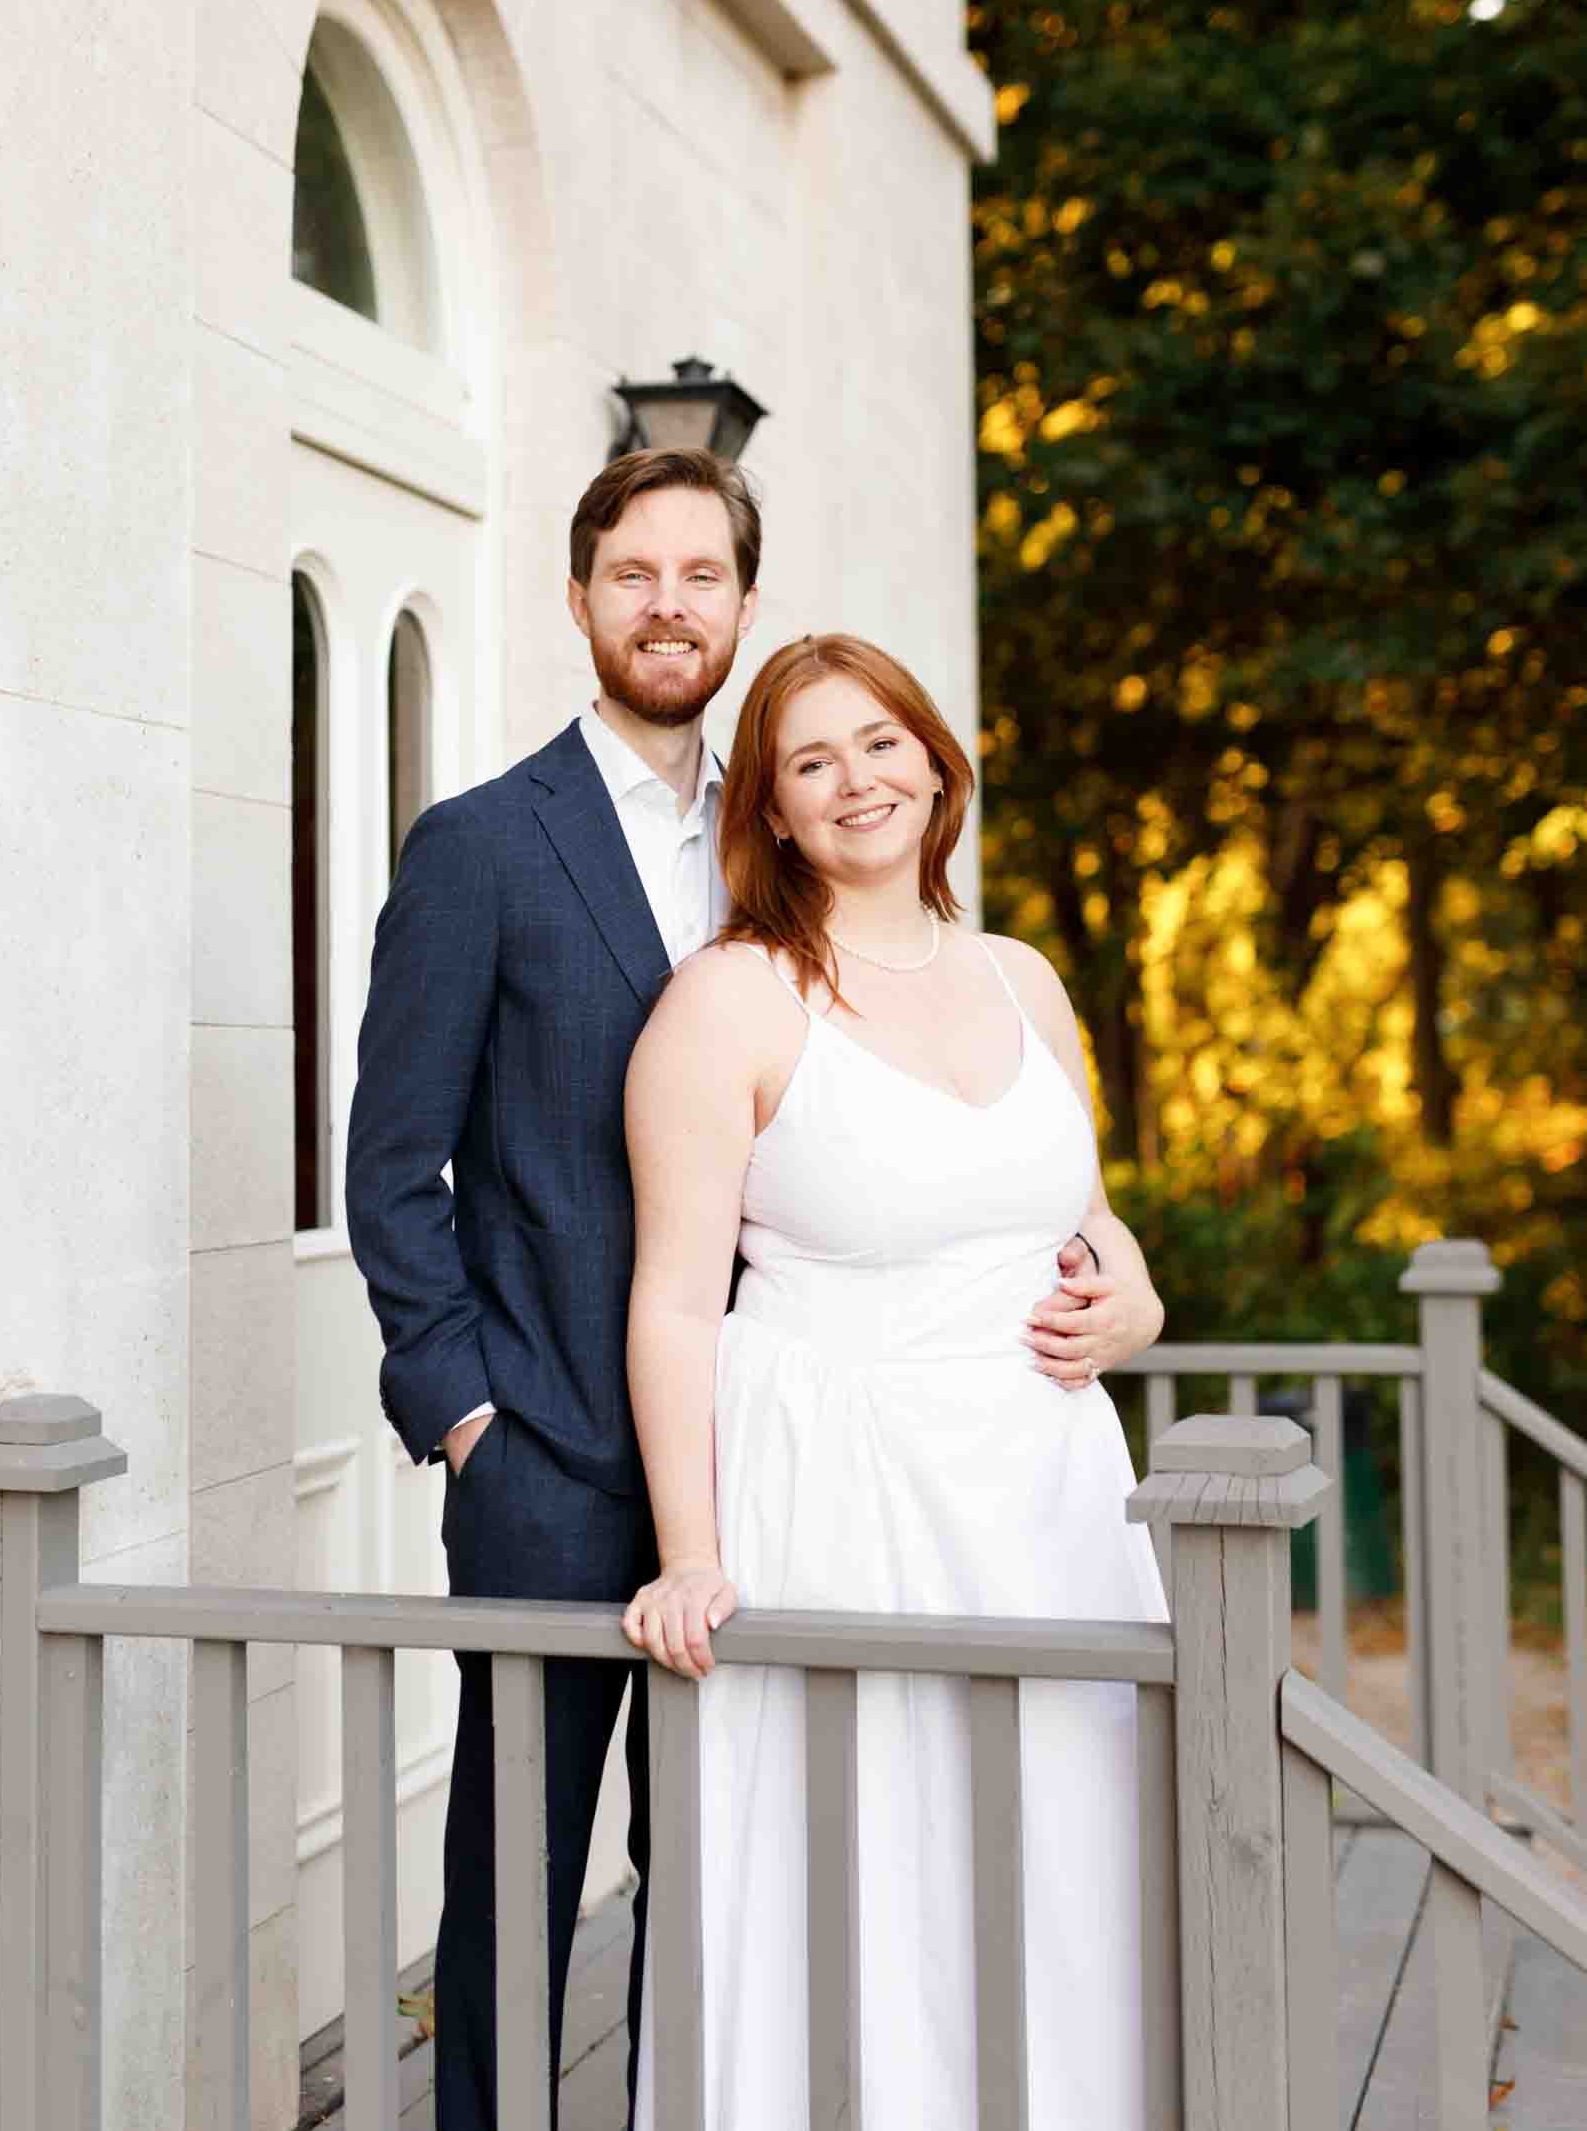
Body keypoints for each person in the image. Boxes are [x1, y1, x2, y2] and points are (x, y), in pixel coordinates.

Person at [621, 632, 1169, 2131]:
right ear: (774, 817)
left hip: (1052, 1498)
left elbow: (1077, 1214)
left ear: (936, 761)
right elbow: (673, 1298)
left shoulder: (1024, 978)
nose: (856, 780)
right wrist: (691, 1554)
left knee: (1068, 1847)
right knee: (875, 1865)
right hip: (845, 1484)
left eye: (880, 743)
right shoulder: (730, 1000)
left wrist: (1138, 1294)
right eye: (810, 761)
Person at [344, 444, 760, 2131]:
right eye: (635, 575)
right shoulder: (481, 845)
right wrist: (464, 1417)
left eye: (702, 576)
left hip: (763, 1459)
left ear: (742, 601)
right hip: (546, 1466)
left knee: (725, 1890)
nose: (669, 606)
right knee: (513, 1894)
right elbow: (391, 1168)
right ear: (580, 595)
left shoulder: (783, 841)